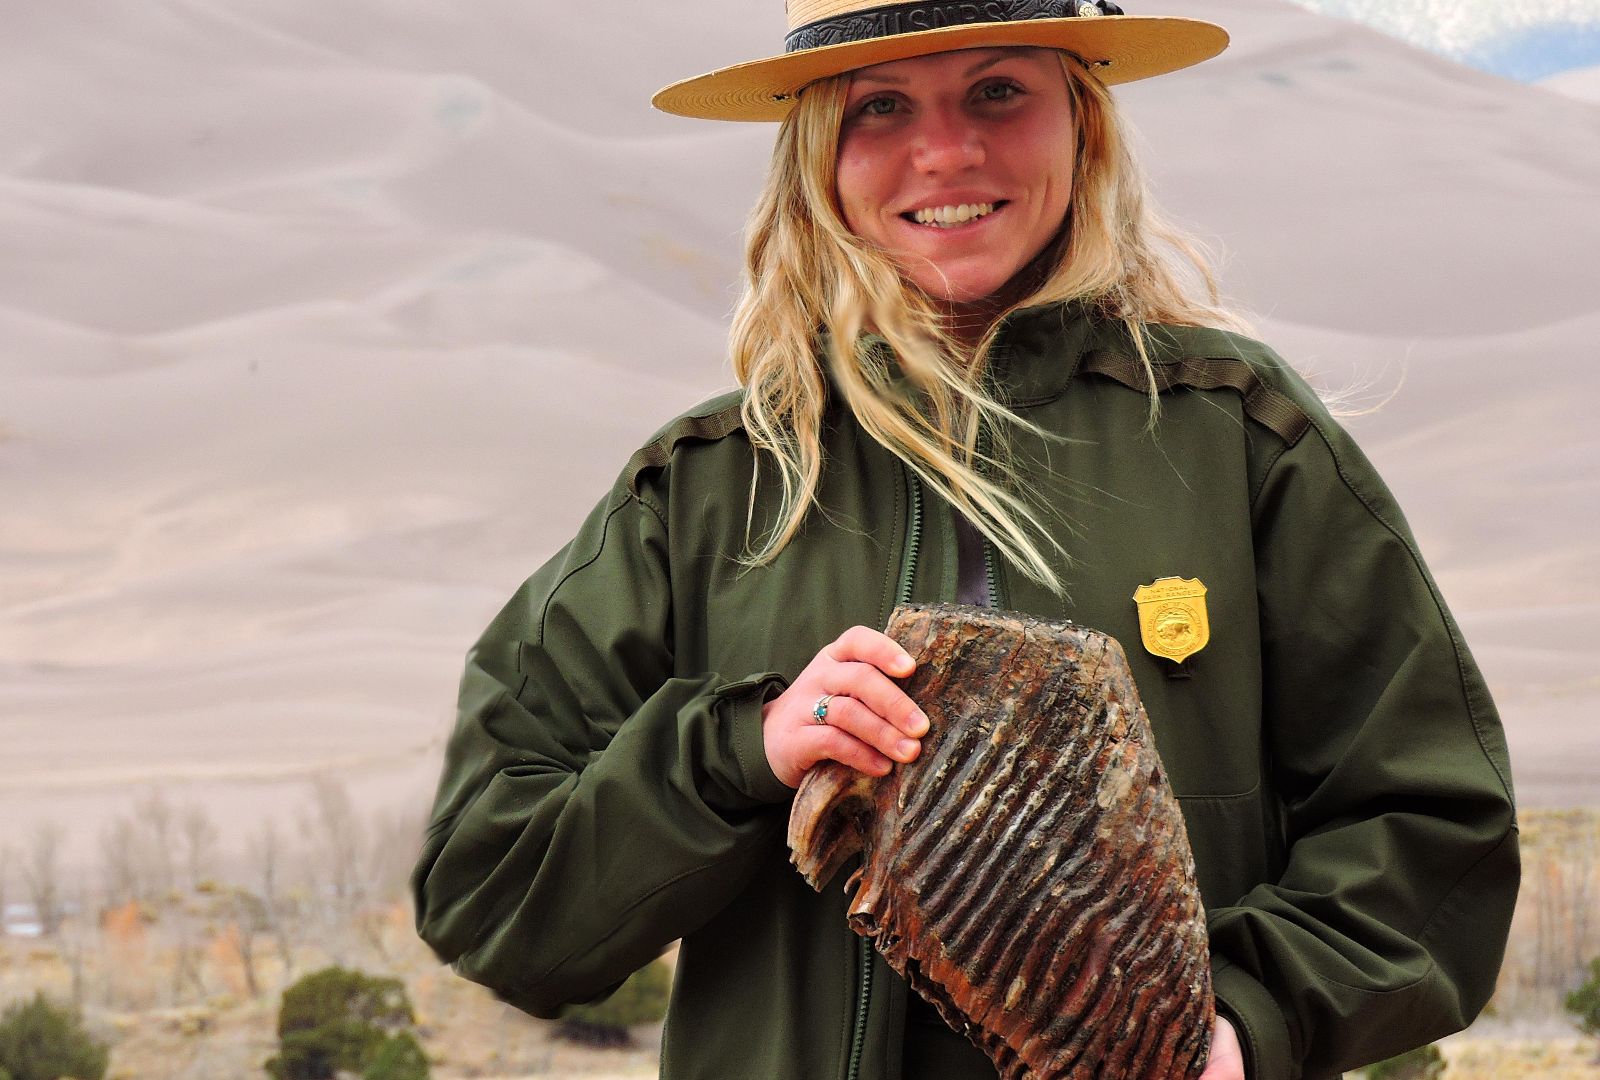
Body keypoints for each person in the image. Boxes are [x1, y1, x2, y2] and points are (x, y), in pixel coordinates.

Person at [411, 1, 1521, 1077]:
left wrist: (1238, 1029)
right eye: (878, 107)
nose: (944, 150)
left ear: (1082, 123)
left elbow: (1430, 826)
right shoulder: (708, 487)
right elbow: (491, 895)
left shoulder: (1238, 435)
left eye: (998, 90)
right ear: (816, 158)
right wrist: (742, 750)